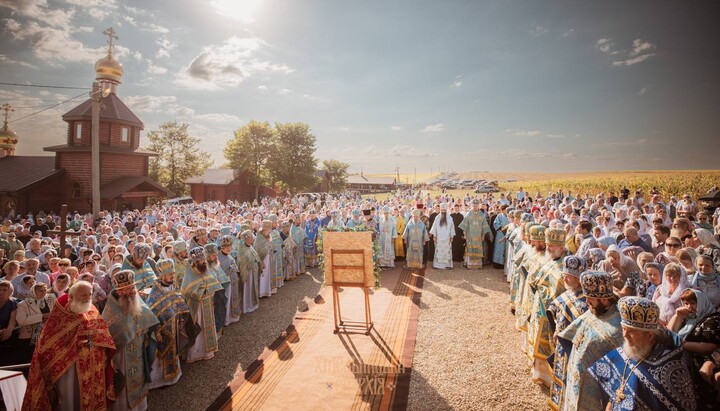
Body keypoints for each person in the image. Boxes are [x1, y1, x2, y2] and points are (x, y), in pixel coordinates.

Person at [589, 296, 697, 411]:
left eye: (630, 331)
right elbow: (615, 396)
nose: (624, 335)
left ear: (650, 336)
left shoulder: (671, 367)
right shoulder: (626, 351)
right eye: (623, 328)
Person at [23, 281, 116, 411]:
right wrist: (73, 346)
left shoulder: (92, 310)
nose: (88, 298)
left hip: (94, 364)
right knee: (71, 398)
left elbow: (102, 332)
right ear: (71, 297)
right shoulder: (60, 315)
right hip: (69, 368)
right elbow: (49, 346)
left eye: (89, 294)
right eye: (83, 295)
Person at [557, 271, 623, 411]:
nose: (586, 303)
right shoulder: (594, 311)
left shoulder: (618, 329)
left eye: (590, 299)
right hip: (575, 379)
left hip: (594, 391)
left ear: (605, 299)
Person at [103, 270, 159, 411]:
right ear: (119, 291)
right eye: (127, 289)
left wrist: (147, 335)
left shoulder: (135, 300)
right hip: (121, 355)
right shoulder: (110, 311)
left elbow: (146, 318)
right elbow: (108, 340)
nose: (132, 291)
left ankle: (140, 406)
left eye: (133, 287)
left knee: (139, 375)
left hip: (138, 347)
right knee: (125, 381)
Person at [526, 228, 569, 386]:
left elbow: (558, 294)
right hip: (540, 309)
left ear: (562, 248)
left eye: (553, 246)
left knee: (547, 343)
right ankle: (537, 370)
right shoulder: (550, 260)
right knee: (538, 339)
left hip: (548, 314)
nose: (549, 248)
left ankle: (547, 378)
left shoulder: (562, 268)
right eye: (548, 244)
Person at [546, 256, 589, 411]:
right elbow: (555, 307)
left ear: (578, 278)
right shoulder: (568, 292)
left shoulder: (587, 302)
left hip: (574, 348)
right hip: (561, 346)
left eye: (568, 275)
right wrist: (557, 329)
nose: (564, 277)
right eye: (564, 274)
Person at [146, 259, 195, 390]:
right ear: (161, 275)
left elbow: (179, 302)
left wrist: (182, 315)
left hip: (174, 324)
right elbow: (151, 313)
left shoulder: (173, 286)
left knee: (174, 351)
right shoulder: (155, 293)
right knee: (161, 356)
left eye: (173, 274)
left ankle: (175, 375)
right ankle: (159, 381)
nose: (172, 277)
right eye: (169, 275)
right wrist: (156, 330)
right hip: (162, 330)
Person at [668, 289, 720, 408]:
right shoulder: (689, 319)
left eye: (693, 303)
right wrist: (677, 316)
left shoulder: (713, 319)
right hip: (688, 368)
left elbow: (708, 347)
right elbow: (671, 334)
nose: (689, 307)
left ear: (702, 302)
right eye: (686, 303)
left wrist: (682, 344)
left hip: (705, 367)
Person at [180, 247, 223, 363]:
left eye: (204, 259)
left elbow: (212, 282)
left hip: (207, 302)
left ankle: (208, 351)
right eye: (201, 260)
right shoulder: (190, 273)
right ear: (194, 262)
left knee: (208, 325)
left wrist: (210, 290)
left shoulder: (205, 269)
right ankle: (196, 353)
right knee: (199, 327)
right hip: (197, 307)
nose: (203, 262)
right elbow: (186, 291)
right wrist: (201, 291)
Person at [15, 282, 56, 363]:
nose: (43, 293)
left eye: (45, 290)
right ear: (33, 291)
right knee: (28, 362)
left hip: (46, 336)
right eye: (40, 291)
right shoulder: (23, 304)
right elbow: (21, 320)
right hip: (28, 338)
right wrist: (42, 316)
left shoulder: (50, 300)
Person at [458, 199, 491, 269]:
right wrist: (465, 234)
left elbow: (484, 226)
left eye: (476, 206)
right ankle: (469, 264)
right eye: (474, 206)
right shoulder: (468, 214)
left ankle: (478, 265)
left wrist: (484, 235)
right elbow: (465, 225)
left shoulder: (482, 215)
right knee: (470, 249)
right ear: (472, 206)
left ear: (478, 206)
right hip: (470, 235)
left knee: (478, 249)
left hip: (479, 236)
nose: (475, 207)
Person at [217, 235, 242, 325]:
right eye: (226, 246)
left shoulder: (229, 255)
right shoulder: (218, 257)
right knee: (227, 300)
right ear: (222, 247)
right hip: (225, 283)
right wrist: (229, 269)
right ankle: (226, 319)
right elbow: (219, 272)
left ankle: (232, 316)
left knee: (232, 298)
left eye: (230, 246)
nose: (229, 248)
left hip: (233, 282)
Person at [236, 230, 261, 314]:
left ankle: (252, 304)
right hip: (247, 273)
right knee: (247, 289)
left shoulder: (250, 246)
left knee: (252, 287)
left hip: (253, 272)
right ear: (246, 239)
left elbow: (255, 257)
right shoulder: (242, 248)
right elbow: (241, 262)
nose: (252, 239)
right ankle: (246, 306)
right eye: (250, 237)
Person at [429, 203, 456, 269]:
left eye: (444, 210)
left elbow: (452, 228)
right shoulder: (437, 218)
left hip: (447, 239)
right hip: (439, 238)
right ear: (440, 210)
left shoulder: (450, 218)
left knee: (447, 251)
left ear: (446, 210)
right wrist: (434, 236)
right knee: (439, 251)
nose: (443, 212)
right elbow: (434, 227)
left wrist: (452, 236)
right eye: (442, 210)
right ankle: (437, 265)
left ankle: (448, 265)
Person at [0, 280, 19, 366]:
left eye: (4, 290)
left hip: (6, 335)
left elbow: (12, 319)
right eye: (0, 289)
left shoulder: (12, 304)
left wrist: (9, 330)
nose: (1, 292)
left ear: (10, 292)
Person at [254, 221, 274, 298]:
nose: (269, 231)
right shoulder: (259, 238)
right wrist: (261, 261)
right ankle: (261, 292)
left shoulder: (267, 236)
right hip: (262, 260)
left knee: (267, 274)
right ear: (264, 229)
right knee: (262, 275)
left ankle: (267, 290)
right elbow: (256, 251)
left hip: (268, 258)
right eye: (268, 229)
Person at [492, 204, 510, 269]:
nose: (506, 211)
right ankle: (497, 263)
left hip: (508, 234)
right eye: (505, 209)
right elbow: (495, 223)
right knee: (499, 248)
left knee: (506, 248)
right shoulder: (499, 216)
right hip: (500, 233)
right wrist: (501, 227)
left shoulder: (509, 216)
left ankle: (504, 264)